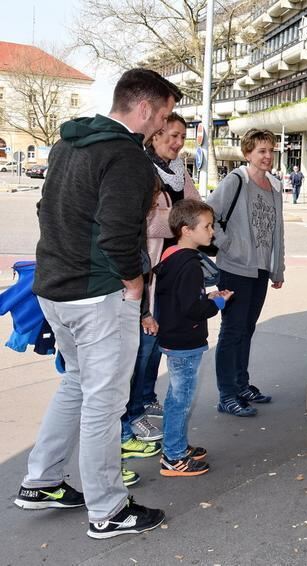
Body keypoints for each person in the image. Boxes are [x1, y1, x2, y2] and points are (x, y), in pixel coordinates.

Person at [15, 68, 181, 539]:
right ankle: (108, 510)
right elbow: (116, 232)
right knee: (104, 403)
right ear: (146, 108)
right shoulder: (127, 157)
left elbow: (46, 210)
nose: (162, 125)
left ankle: (41, 480)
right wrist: (132, 282)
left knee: (78, 385)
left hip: (54, 287)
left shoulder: (68, 143)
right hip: (98, 295)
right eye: (163, 114)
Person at [119, 112, 203, 460]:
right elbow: (150, 223)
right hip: (144, 274)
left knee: (155, 346)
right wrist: (180, 224)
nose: (177, 142)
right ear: (154, 136)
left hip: (170, 273)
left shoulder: (179, 169)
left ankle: (143, 402)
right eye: (171, 135)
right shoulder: (140, 168)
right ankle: (129, 419)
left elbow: (197, 210)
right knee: (140, 350)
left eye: (182, 136)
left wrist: (186, 222)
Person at [208, 129, 286, 417]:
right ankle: (226, 394)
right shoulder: (236, 180)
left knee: (247, 329)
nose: (267, 156)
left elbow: (278, 230)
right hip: (235, 268)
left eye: (271, 150)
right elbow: (207, 214)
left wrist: (278, 267)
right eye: (261, 151)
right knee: (232, 331)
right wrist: (227, 244)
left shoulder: (274, 187)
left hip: (260, 270)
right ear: (248, 153)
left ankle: (241, 385)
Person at [155, 200, 232, 477]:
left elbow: (183, 299)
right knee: (181, 398)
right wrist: (218, 303)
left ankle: (175, 445)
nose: (212, 232)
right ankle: (173, 457)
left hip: (174, 336)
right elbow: (193, 308)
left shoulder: (171, 256)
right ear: (187, 230)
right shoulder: (189, 265)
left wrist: (206, 296)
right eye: (207, 226)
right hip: (185, 341)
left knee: (177, 396)